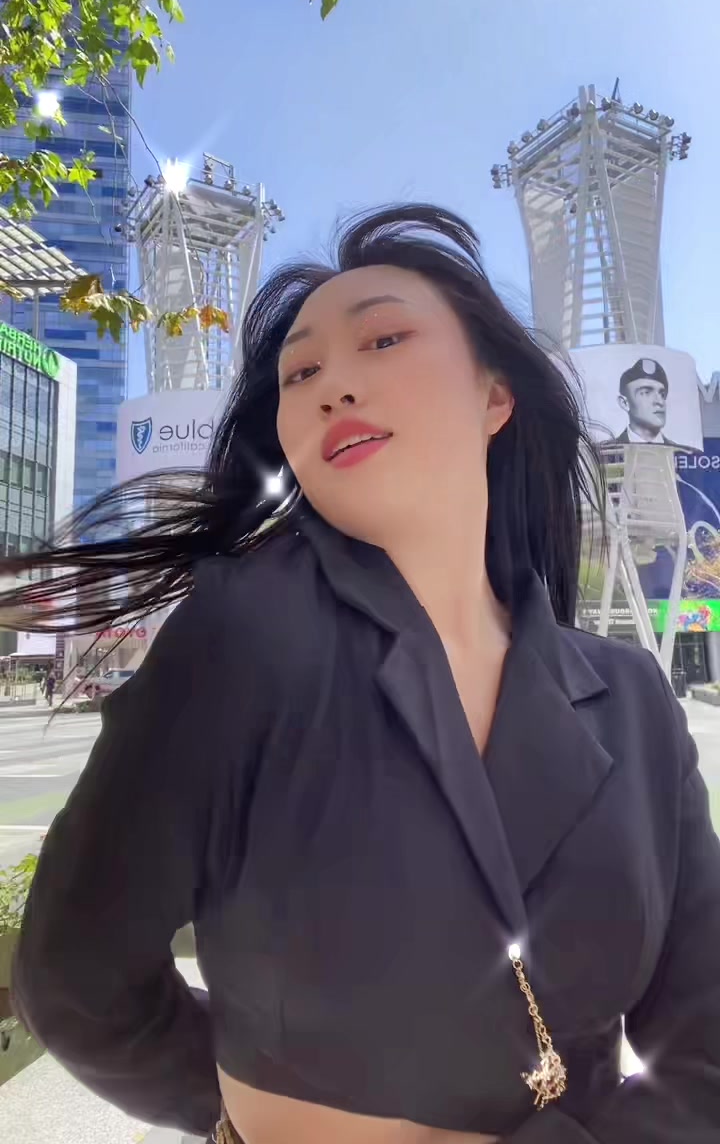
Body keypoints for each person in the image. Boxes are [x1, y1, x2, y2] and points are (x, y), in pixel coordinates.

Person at [2, 204, 719, 1144]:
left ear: (494, 396)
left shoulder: (633, 701)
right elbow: (77, 976)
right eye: (300, 374)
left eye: (383, 339)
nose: (333, 386)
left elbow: (706, 1044)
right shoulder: (238, 638)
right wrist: (247, 1115)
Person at [610, 356, 674, 445]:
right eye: (646, 393)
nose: (659, 402)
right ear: (625, 403)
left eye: (662, 394)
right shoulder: (604, 452)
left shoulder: (682, 452)